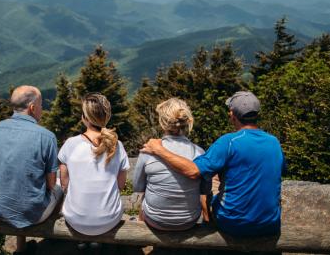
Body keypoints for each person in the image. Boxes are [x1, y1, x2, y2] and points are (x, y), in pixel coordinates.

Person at [140, 91, 285, 237]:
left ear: (231, 115)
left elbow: (193, 171)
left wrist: (159, 150)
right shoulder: (274, 142)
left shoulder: (228, 142)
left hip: (234, 223)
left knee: (210, 183)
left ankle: (207, 222)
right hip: (270, 224)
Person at [0, 85, 62, 253]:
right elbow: (50, 185)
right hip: (34, 214)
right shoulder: (47, 137)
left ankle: (20, 249)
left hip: (1, 210)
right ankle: (52, 238)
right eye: (41, 105)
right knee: (59, 188)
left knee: (17, 184)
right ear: (33, 108)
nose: (42, 109)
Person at [58, 93, 129, 238]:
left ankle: (82, 241)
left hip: (76, 220)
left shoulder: (71, 144)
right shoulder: (117, 146)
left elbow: (65, 185)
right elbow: (120, 186)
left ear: (85, 118)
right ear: (106, 117)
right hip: (110, 219)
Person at [132, 98, 204, 231]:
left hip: (155, 220)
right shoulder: (199, 152)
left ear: (162, 123)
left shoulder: (149, 150)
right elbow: (204, 189)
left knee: (143, 199)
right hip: (189, 221)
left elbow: (138, 187)